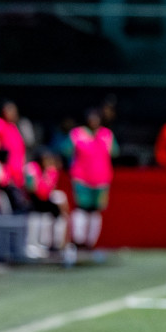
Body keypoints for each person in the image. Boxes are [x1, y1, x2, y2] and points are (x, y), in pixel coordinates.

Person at [68, 108, 117, 254]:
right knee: (81, 208)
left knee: (95, 211)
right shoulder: (77, 133)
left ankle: (90, 243)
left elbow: (115, 152)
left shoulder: (107, 134)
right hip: (82, 179)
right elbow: (65, 149)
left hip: (101, 179)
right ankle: (78, 241)